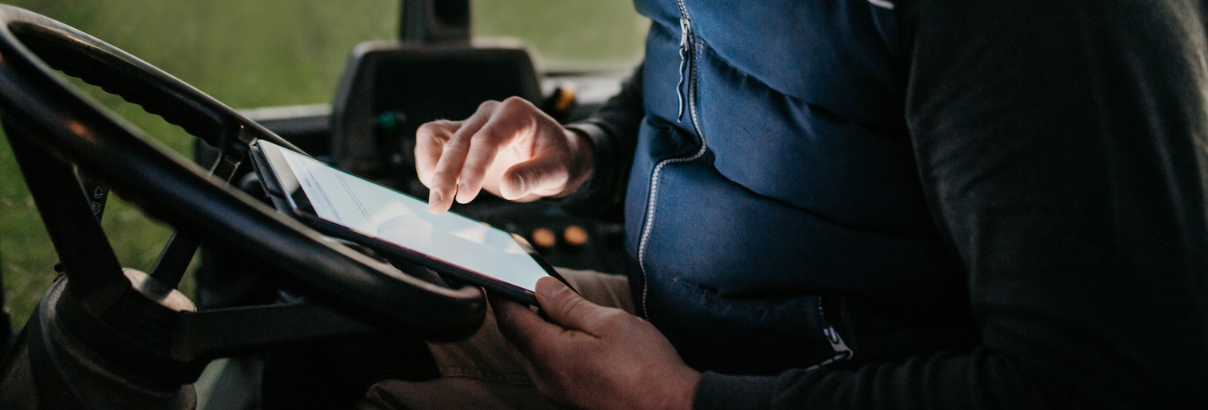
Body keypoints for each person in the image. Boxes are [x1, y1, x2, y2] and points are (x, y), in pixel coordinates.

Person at [363, 0, 1208, 408]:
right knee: (361, 311)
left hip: (764, 390)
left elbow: (1099, 386)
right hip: (684, 340)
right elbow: (713, 55)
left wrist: (684, 402)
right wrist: (590, 149)